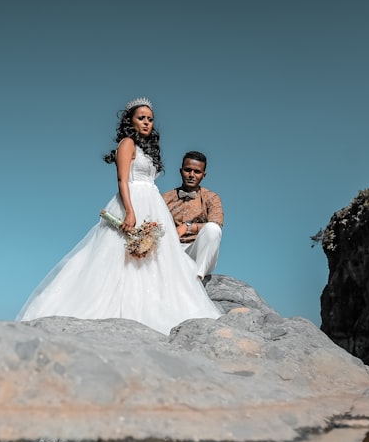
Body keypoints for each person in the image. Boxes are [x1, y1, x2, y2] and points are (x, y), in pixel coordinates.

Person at [16, 97, 221, 335]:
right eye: (141, 118)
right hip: (132, 200)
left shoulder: (147, 149)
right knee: (121, 254)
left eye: (150, 119)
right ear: (130, 120)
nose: (146, 123)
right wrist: (130, 211)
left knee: (154, 255)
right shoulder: (127, 143)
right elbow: (123, 179)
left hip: (152, 202)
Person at [161, 151, 224, 279]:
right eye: (188, 170)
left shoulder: (211, 197)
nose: (191, 175)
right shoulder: (165, 197)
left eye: (197, 172)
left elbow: (217, 224)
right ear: (181, 171)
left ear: (203, 175)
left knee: (213, 229)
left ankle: (197, 278)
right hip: (172, 250)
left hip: (197, 251)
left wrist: (188, 226)